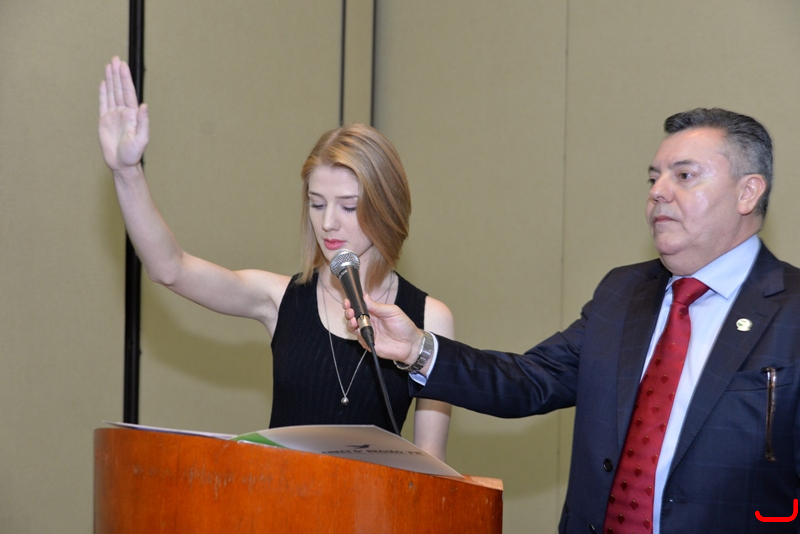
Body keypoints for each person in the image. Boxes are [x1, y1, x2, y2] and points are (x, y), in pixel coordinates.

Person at [345, 108, 800, 532]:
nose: (658, 191)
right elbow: (531, 380)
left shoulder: (791, 311)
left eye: (684, 175)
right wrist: (416, 349)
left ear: (747, 192)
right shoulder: (623, 294)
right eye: (653, 177)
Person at [97, 56, 453, 461]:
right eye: (317, 204)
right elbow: (170, 268)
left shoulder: (430, 319)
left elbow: (432, 464)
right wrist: (127, 173)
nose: (328, 223)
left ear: (387, 206)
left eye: (348, 206)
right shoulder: (280, 298)